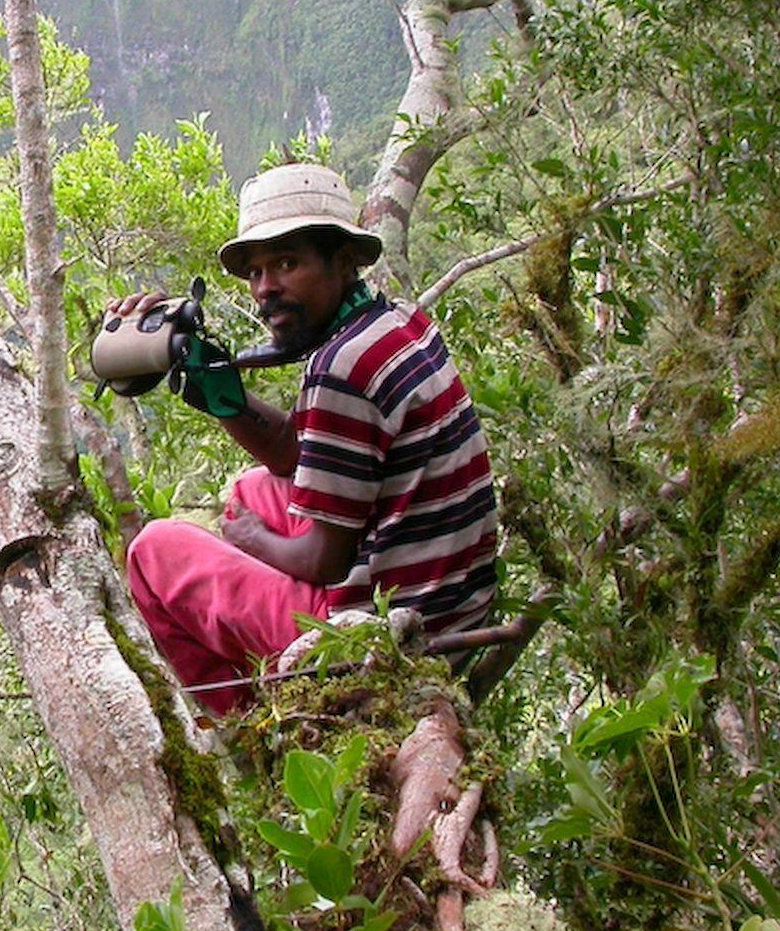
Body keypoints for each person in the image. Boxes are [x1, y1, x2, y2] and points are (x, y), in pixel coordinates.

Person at [114, 163, 497, 716]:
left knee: (153, 552)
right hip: (456, 600)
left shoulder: (342, 367)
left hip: (381, 633)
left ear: (342, 262)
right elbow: (302, 453)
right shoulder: (396, 323)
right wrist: (223, 395)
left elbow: (323, 561)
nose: (266, 288)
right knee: (253, 488)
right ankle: (271, 687)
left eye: (287, 264)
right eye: (255, 272)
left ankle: (254, 726)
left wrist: (250, 542)